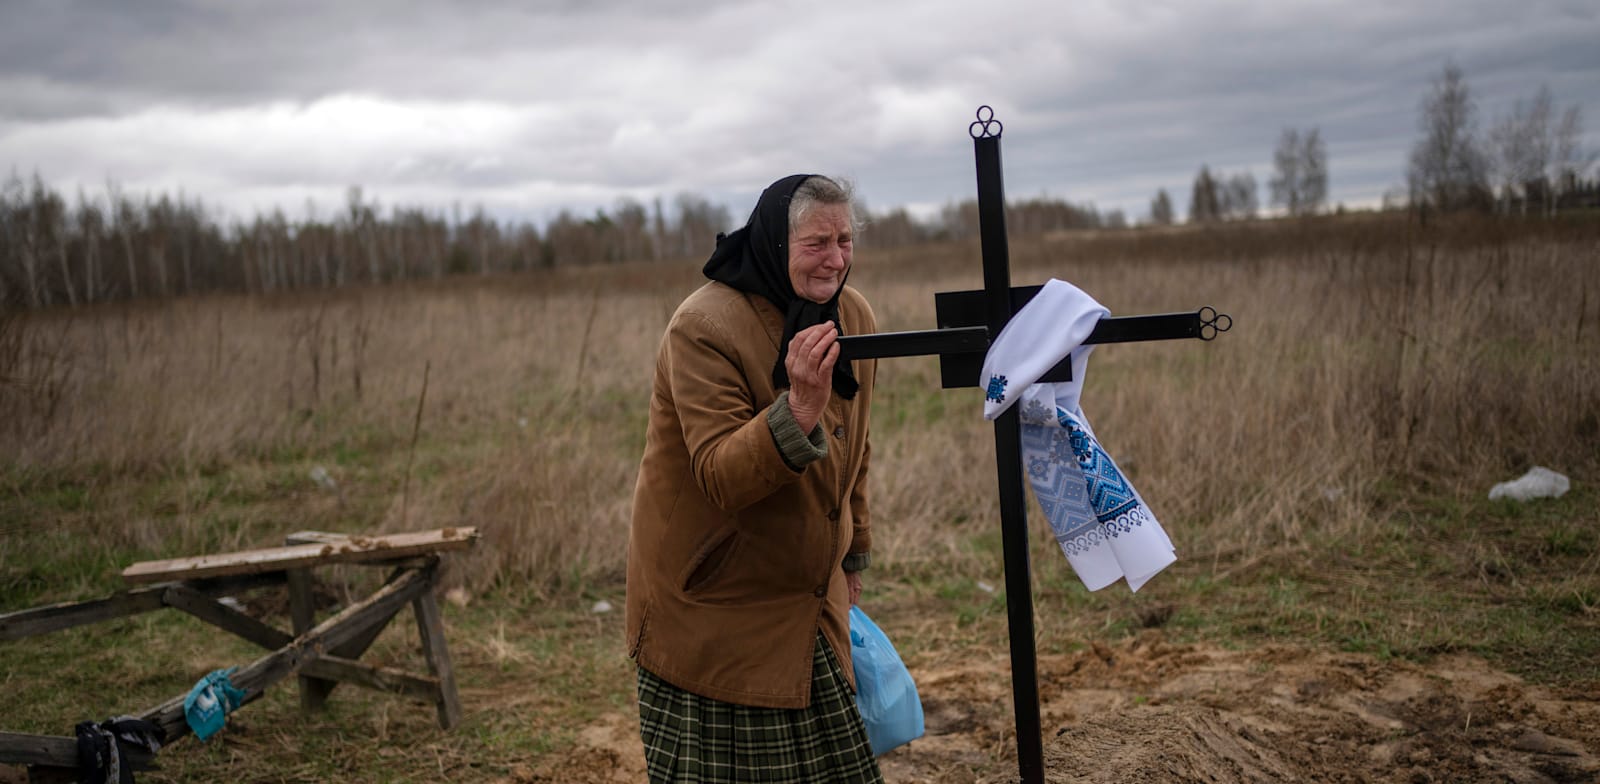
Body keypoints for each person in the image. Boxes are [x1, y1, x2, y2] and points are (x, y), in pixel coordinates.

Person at [625, 174, 882, 783]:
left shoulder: (852, 315)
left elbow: (856, 446)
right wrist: (798, 410)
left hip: (809, 598)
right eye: (817, 242)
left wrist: (856, 551)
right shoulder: (704, 327)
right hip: (715, 597)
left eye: (845, 239)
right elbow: (720, 475)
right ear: (774, 243)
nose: (836, 258)